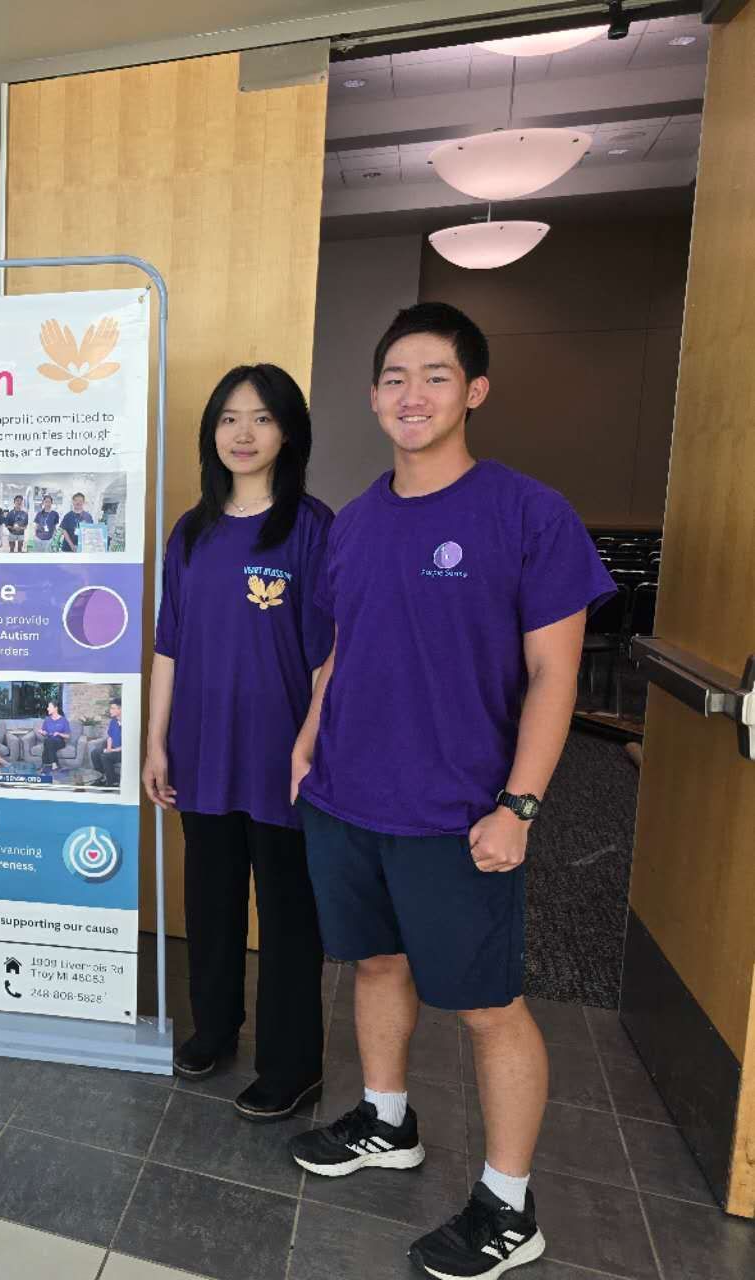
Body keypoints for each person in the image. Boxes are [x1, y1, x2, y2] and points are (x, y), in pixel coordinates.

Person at [286, 303, 613, 1279]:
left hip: (460, 814)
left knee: (485, 1005)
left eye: (434, 375)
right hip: (347, 800)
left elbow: (554, 675)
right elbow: (337, 651)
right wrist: (306, 749)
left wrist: (516, 807)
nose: (410, 394)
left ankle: (508, 1205)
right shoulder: (351, 523)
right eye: (393, 376)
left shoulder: (525, 512)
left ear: (472, 390)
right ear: (372, 394)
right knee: (374, 965)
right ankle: (386, 1118)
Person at [140, 363, 332, 1123]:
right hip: (202, 750)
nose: (242, 434)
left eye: (260, 418)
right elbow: (169, 649)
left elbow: (330, 657)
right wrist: (157, 744)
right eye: (228, 418)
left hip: (283, 759)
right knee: (210, 902)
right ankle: (214, 1031)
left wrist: (310, 748)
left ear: (288, 431)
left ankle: (293, 1066)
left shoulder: (315, 529)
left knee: (289, 916)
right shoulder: (192, 533)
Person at [89, 699, 122, 786]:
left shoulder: (128, 723)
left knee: (105, 756)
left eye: (112, 708)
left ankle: (112, 782)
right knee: (94, 753)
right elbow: (110, 737)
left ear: (120, 709)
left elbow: (129, 745)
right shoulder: (113, 721)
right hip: (114, 748)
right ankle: (101, 777)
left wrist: (112, 751)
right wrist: (109, 748)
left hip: (123, 751)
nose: (110, 710)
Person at [38, 699, 73, 770]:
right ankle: (54, 764)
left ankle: (45, 764)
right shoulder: (47, 720)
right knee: (48, 742)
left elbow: (68, 736)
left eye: (49, 707)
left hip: (59, 742)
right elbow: (44, 731)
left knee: (47, 742)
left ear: (55, 708)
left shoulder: (63, 720)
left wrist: (59, 733)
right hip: (49, 740)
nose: (47, 709)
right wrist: (42, 732)